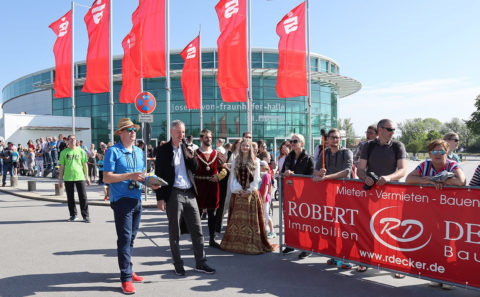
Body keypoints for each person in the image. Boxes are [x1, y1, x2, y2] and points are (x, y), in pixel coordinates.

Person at [103, 118, 158, 294]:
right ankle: (125, 277)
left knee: (132, 238)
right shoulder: (112, 151)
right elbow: (107, 178)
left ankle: (128, 268)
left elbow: (140, 176)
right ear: (120, 133)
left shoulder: (139, 151)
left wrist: (151, 183)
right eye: (129, 130)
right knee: (125, 239)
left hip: (137, 199)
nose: (133, 132)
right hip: (121, 201)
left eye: (134, 129)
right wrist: (129, 176)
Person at [155, 120, 215, 276]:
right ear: (171, 132)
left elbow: (195, 168)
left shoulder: (187, 148)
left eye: (183, 132)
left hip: (190, 193)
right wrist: (160, 198)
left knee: (197, 230)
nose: (181, 135)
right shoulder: (163, 150)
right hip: (173, 193)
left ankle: (200, 263)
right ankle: (178, 263)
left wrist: (190, 157)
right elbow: (159, 175)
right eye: (178, 132)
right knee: (174, 231)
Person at [405, 139, 465, 289]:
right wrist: (430, 180)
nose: (438, 154)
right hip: (431, 211)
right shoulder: (425, 165)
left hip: (451, 211)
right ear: (430, 153)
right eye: (434, 151)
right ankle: (437, 274)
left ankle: (450, 276)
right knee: (434, 242)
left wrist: (443, 180)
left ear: (446, 152)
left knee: (449, 243)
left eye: (441, 151)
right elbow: (408, 179)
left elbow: (461, 181)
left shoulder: (452, 165)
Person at [356, 119, 407, 274]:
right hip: (372, 193)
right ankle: (365, 259)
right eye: (390, 129)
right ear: (380, 130)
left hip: (392, 194)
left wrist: (389, 178)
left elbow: (403, 169)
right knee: (368, 227)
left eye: (393, 129)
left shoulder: (398, 145)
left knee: (392, 228)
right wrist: (365, 178)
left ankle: (396, 264)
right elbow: (360, 169)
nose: (393, 132)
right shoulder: (368, 146)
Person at [220, 138, 272, 254]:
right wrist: (237, 189)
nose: (245, 147)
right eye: (243, 145)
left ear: (250, 148)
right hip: (238, 194)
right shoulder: (236, 161)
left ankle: (250, 245)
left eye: (247, 146)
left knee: (250, 222)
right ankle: (236, 245)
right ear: (239, 147)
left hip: (250, 195)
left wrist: (248, 190)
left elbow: (257, 178)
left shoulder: (256, 161)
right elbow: (233, 176)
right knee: (237, 221)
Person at [313, 128, 353, 267]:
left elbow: (347, 172)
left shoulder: (346, 152)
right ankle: (336, 255)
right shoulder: (325, 152)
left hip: (346, 195)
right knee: (331, 226)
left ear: (340, 139)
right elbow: (315, 170)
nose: (335, 140)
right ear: (327, 139)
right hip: (329, 195)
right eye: (332, 137)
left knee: (345, 227)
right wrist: (319, 172)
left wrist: (326, 177)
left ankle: (348, 258)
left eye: (337, 137)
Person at [281, 133, 314, 257]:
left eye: (296, 141)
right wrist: (286, 172)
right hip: (290, 193)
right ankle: (291, 244)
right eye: (292, 141)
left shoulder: (308, 158)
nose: (293, 143)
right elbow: (283, 171)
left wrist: (294, 174)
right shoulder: (289, 156)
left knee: (304, 221)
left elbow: (310, 177)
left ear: (302, 143)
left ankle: (306, 247)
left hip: (304, 195)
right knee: (290, 219)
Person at [194, 129, 228, 248]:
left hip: (213, 187)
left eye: (210, 137)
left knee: (212, 214)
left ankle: (212, 239)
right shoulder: (194, 153)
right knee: (196, 215)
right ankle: (197, 240)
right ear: (201, 138)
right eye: (206, 137)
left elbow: (225, 169)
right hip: (199, 186)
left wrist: (219, 177)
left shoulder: (217, 154)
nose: (209, 139)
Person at [58, 135, 91, 223]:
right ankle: (73, 215)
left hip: (80, 176)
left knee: (83, 197)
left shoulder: (81, 151)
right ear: (67, 141)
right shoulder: (64, 152)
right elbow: (61, 167)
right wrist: (60, 179)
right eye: (71, 139)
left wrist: (87, 176)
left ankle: (86, 216)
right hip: (68, 177)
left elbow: (85, 164)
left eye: (74, 139)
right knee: (70, 197)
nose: (73, 140)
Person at [259, 160, 275, 238]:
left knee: (266, 214)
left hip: (265, 198)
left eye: (260, 165)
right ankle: (264, 230)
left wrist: (263, 197)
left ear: (264, 167)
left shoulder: (267, 176)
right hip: (260, 197)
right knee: (261, 215)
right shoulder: (260, 175)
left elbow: (266, 188)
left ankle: (272, 231)